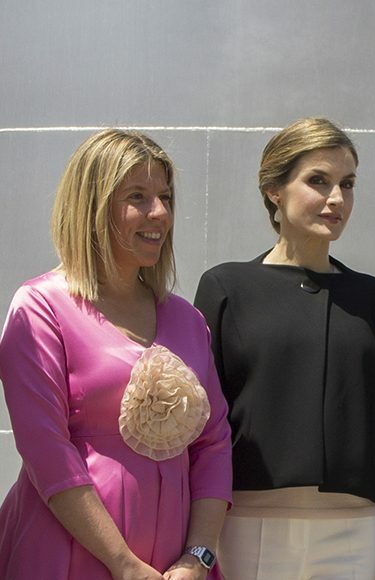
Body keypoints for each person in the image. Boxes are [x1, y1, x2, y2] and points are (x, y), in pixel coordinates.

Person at [194, 117, 375, 580]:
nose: (336, 198)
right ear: (274, 190)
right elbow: (203, 426)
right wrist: (198, 545)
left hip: (354, 535)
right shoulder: (226, 288)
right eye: (318, 181)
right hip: (248, 531)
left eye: (347, 184)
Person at [0, 129, 232, 579]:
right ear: (92, 206)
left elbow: (213, 443)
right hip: (68, 558)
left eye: (166, 197)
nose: (159, 212)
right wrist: (124, 565)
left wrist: (197, 558)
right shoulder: (40, 308)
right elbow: (46, 450)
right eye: (137, 197)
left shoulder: (187, 320)